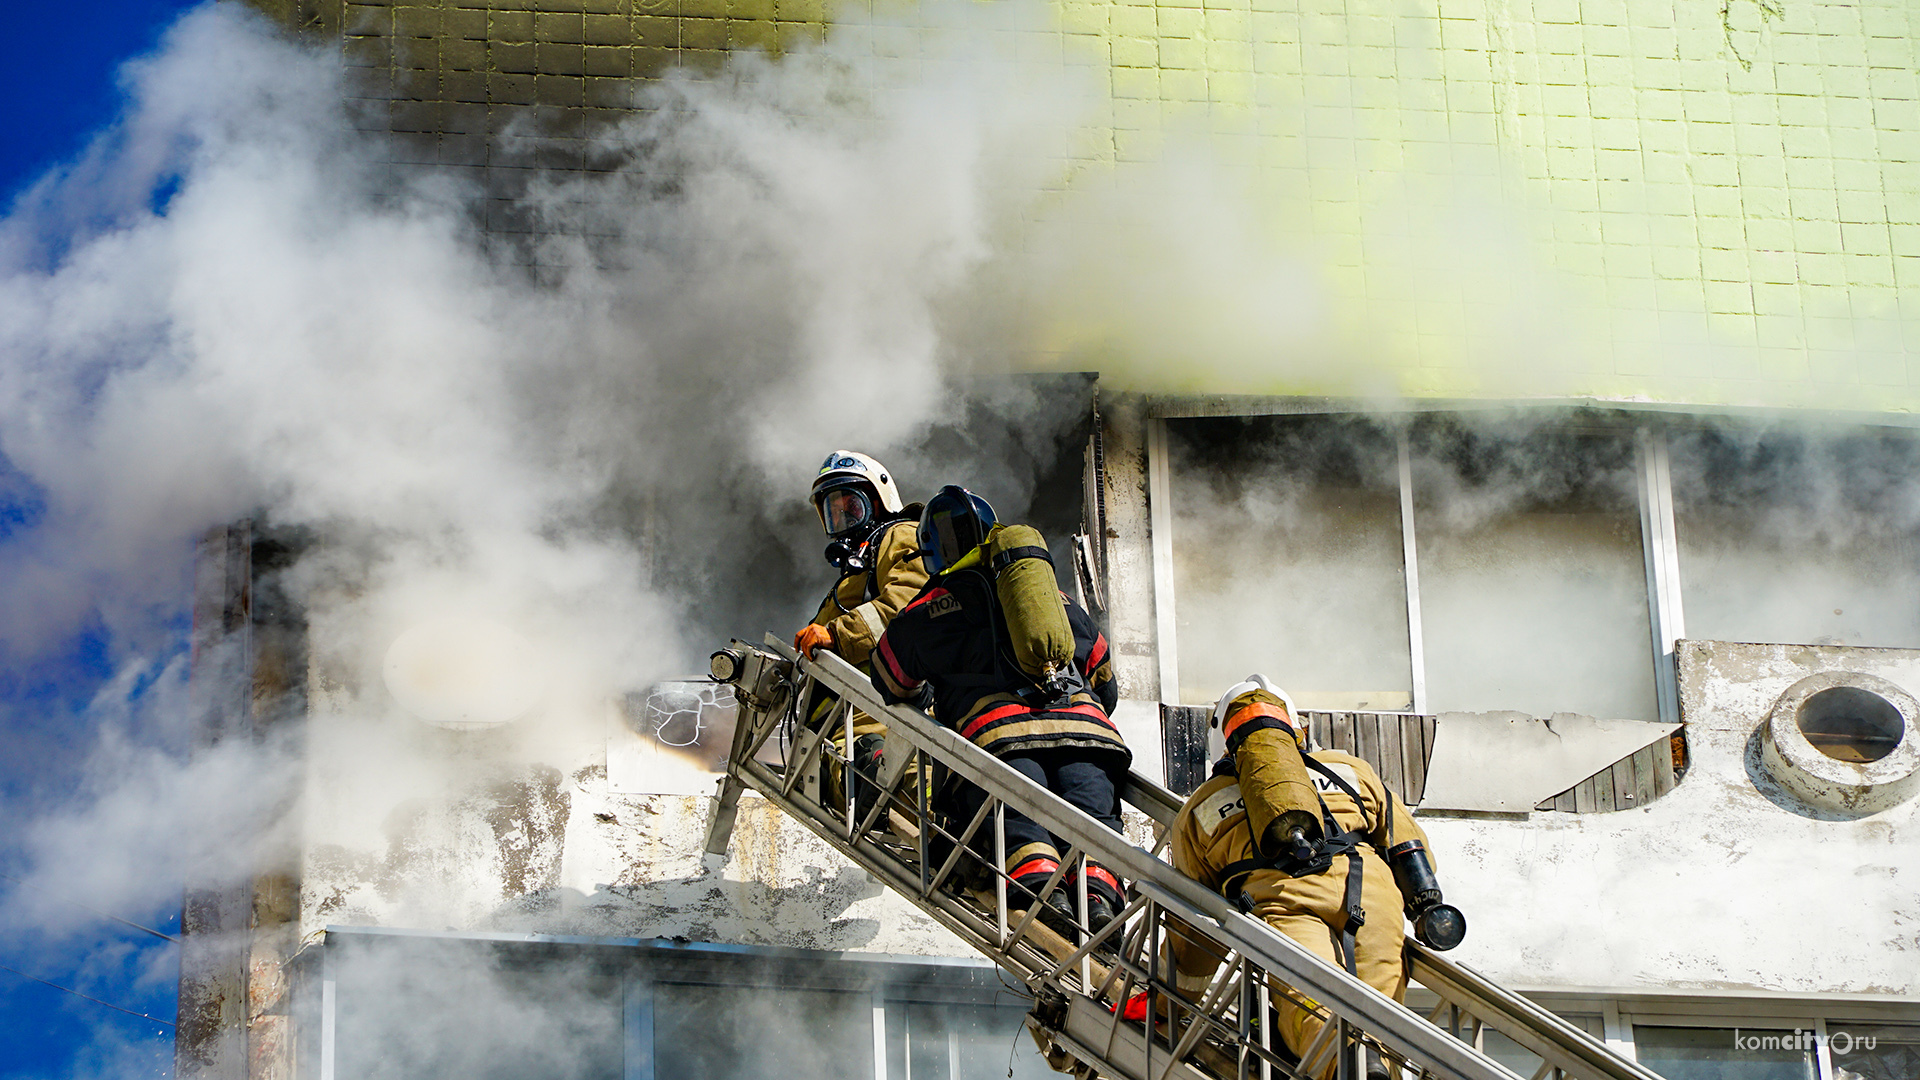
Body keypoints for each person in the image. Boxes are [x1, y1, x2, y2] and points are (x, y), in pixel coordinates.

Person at [1167, 675, 1465, 1080]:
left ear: (1224, 741)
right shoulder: (1349, 768)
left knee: (1310, 1004)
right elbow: (1406, 844)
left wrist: (1175, 1003)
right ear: (1297, 727)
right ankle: (1375, 1065)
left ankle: (1346, 1065)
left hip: (1280, 900)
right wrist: (1426, 906)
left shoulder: (1201, 806)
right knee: (1383, 1006)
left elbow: (1194, 917)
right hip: (1368, 888)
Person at [869, 485, 1129, 935]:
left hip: (1000, 743)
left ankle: (1048, 905)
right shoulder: (1053, 600)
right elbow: (1105, 682)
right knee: (1094, 826)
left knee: (1019, 824)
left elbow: (889, 674)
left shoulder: (934, 606)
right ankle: (1099, 906)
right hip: (1091, 740)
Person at [791, 451, 928, 807]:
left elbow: (909, 605)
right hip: (849, 719)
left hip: (883, 714)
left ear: (880, 502)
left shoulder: (901, 535)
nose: (842, 517)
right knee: (849, 785)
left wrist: (836, 636)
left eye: (851, 506)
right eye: (832, 512)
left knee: (885, 782)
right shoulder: (857, 573)